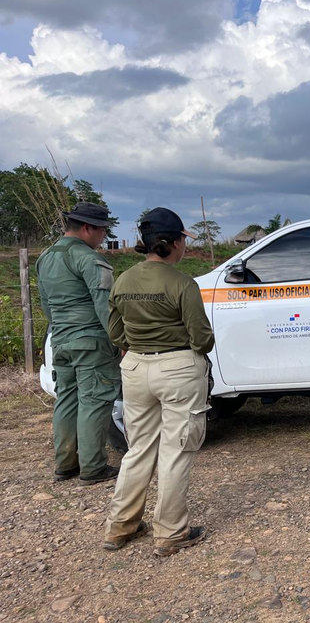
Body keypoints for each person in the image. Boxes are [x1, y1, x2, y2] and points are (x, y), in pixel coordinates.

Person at [102, 208, 214, 556]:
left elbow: (115, 332)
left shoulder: (123, 280)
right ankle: (170, 533)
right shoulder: (182, 284)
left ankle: (120, 526)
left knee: (138, 449)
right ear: (174, 243)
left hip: (136, 368)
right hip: (178, 368)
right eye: (183, 240)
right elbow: (202, 339)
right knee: (176, 451)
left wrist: (138, 344)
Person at [36, 202, 121, 485]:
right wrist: (120, 341)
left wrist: (62, 331)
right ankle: (93, 467)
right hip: (92, 342)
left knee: (67, 400)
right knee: (94, 401)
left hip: (61, 340)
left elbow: (46, 305)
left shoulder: (45, 257)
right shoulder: (88, 258)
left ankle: (65, 464)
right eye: (102, 231)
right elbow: (105, 306)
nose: (103, 237)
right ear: (87, 228)